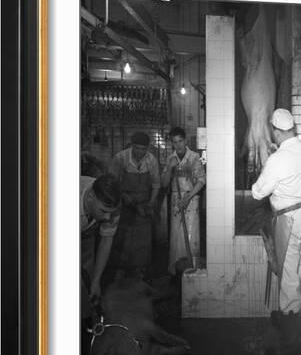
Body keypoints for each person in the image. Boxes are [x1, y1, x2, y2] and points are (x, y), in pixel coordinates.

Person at [251, 108, 301, 321]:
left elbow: (258, 192)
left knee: (288, 275)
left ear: (276, 132)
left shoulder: (277, 159)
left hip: (288, 221)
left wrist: (269, 163)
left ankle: (289, 324)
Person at [109, 132, 160, 270]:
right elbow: (111, 183)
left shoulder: (151, 160)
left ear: (147, 148)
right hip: (124, 203)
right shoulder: (121, 158)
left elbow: (156, 184)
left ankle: (140, 269)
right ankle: (121, 269)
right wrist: (124, 197)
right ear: (132, 146)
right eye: (137, 148)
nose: (140, 152)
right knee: (123, 236)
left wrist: (150, 203)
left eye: (143, 149)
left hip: (143, 203)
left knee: (142, 238)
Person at [161, 127, 206, 275]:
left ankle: (191, 269)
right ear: (172, 143)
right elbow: (164, 184)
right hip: (175, 200)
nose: (178, 145)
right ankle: (175, 270)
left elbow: (201, 181)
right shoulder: (170, 159)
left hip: (191, 199)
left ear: (185, 140)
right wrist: (169, 168)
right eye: (175, 142)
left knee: (192, 235)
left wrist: (188, 197)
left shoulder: (194, 157)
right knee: (176, 235)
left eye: (180, 141)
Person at [80, 173, 121, 314]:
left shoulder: (112, 205)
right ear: (90, 197)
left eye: (111, 213)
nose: (108, 217)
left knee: (87, 281)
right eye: (103, 211)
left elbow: (106, 240)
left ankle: (85, 317)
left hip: (86, 229)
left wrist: (96, 281)